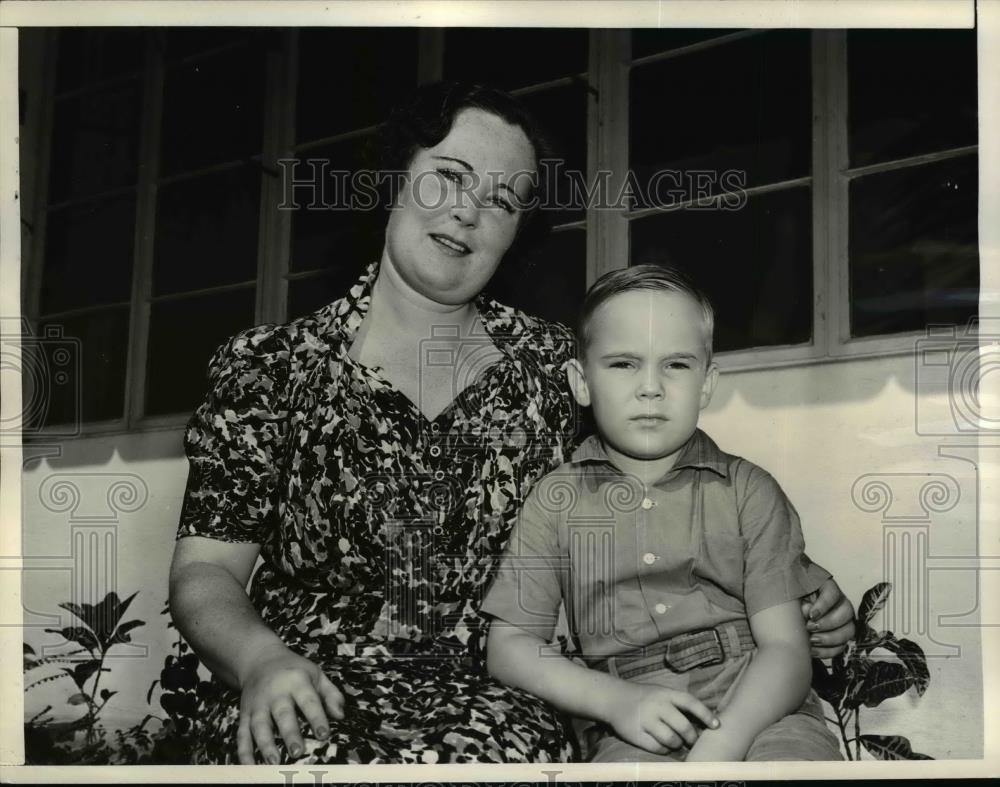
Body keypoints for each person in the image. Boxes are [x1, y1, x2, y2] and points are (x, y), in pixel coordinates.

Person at [168, 82, 855, 765]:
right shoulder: (270, 365)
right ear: (394, 181)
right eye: (449, 178)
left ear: (516, 231)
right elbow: (205, 572)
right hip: (306, 679)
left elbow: (670, 477)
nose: (468, 213)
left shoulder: (555, 366)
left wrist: (797, 580)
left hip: (498, 686)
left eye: (500, 200)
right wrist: (259, 661)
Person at [484, 265, 843, 761]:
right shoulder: (554, 500)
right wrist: (615, 702)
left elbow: (786, 650)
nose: (650, 387)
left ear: (707, 383)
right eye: (623, 364)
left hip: (761, 708)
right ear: (580, 382)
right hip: (629, 723)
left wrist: (724, 741)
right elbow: (509, 647)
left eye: (675, 365)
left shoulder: (749, 491)